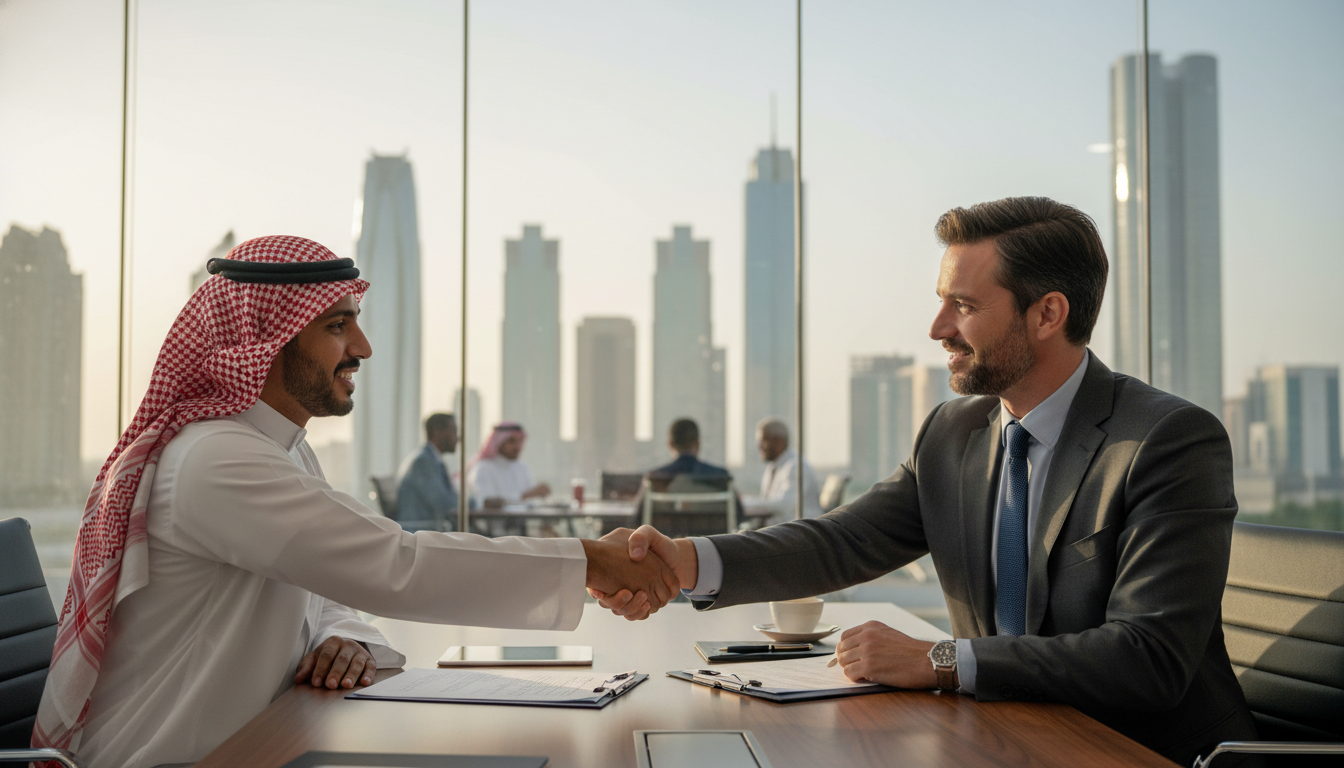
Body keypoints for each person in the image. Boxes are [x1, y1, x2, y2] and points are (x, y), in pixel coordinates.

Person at [596, 197, 1260, 767]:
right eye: (942, 303)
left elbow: (1147, 658)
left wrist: (940, 659)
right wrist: (687, 562)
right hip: (999, 741)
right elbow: (842, 542)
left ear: (1048, 314)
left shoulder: (1165, 441)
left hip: (1136, 753)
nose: (937, 329)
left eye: (963, 306)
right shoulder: (953, 432)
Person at [32, 236, 678, 768]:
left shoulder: (281, 450)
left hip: (266, 742)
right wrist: (592, 560)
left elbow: (330, 593)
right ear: (265, 341)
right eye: (337, 326)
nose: (363, 348)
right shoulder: (217, 459)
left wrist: (347, 639)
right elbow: (395, 565)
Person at [629, 418, 741, 522]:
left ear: (670, 444)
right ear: (698, 443)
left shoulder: (655, 478)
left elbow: (638, 519)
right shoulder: (721, 476)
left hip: (667, 542)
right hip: (709, 542)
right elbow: (739, 516)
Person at [395, 412, 460, 531]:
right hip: (420, 532)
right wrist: (473, 504)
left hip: (430, 529)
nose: (458, 437)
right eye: (454, 431)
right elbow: (443, 502)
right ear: (437, 432)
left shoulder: (432, 459)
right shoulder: (423, 462)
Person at [467, 422, 551, 507]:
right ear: (499, 441)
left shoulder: (522, 467)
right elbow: (487, 502)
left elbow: (532, 501)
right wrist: (526, 496)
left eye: (520, 441)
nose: (517, 447)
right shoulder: (483, 468)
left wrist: (539, 494)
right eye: (512, 441)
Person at [754, 417, 822, 521]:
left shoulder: (797, 466)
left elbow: (784, 505)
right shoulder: (773, 467)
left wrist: (746, 503)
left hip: (799, 531)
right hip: (778, 530)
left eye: (763, 441)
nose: (759, 446)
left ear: (778, 442)